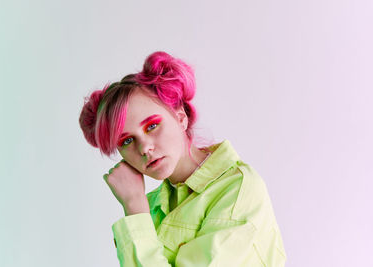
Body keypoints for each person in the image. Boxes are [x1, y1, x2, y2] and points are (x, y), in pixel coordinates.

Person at [79, 51, 287, 266]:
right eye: (127, 141)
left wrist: (134, 207)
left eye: (152, 126)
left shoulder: (237, 189)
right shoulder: (151, 205)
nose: (144, 148)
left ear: (181, 118)